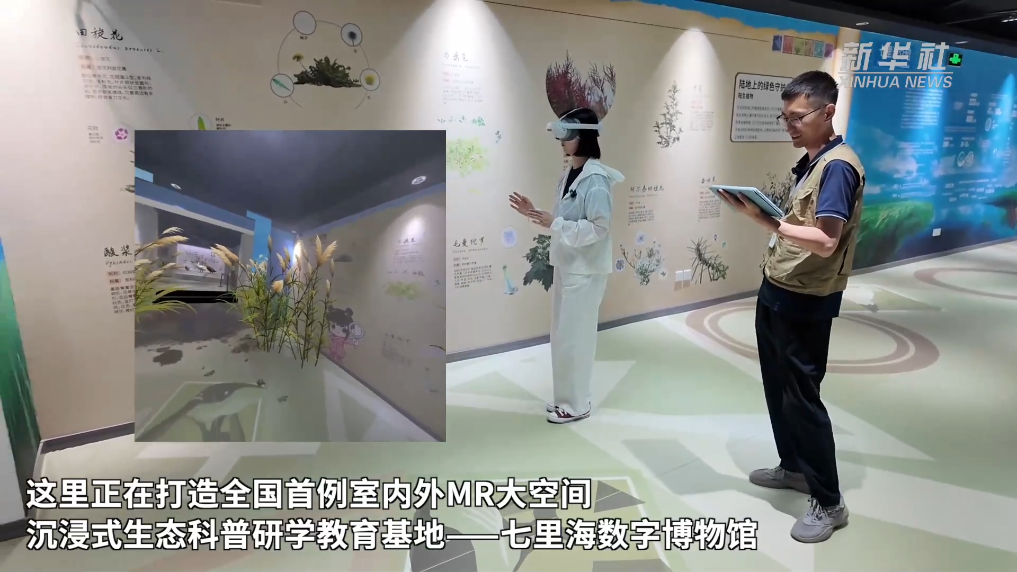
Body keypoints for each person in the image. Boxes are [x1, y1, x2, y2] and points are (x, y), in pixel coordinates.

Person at [717, 70, 865, 544]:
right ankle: (795, 467)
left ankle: (830, 501)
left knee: (802, 397)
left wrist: (766, 220)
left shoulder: (838, 167)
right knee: (779, 386)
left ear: (828, 111)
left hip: (807, 298)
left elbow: (826, 240)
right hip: (780, 287)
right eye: (785, 117)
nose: (790, 126)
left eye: (798, 117)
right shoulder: (813, 161)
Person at [508, 107, 624, 424]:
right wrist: (533, 213)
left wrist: (555, 223)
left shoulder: (596, 180)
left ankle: (578, 403)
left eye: (567, 134)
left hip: (585, 272)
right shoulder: (568, 175)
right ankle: (565, 398)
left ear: (583, 136)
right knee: (562, 337)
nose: (561, 141)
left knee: (577, 339)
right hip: (567, 266)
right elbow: (559, 222)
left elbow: (599, 228)